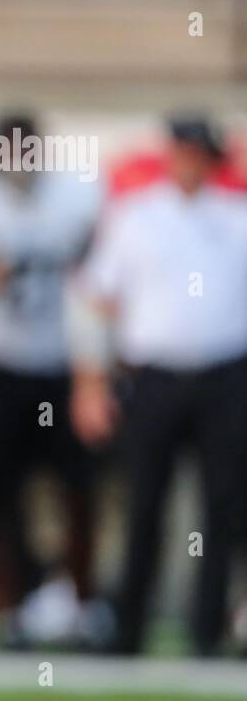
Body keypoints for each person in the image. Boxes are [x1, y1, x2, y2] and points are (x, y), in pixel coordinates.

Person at [69, 116, 247, 656]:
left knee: (225, 507)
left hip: (226, 375)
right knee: (144, 503)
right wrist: (90, 384)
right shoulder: (136, 216)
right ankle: (128, 628)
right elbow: (97, 299)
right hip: (153, 376)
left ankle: (206, 629)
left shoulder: (238, 218)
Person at [0, 113, 102, 643]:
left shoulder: (78, 195)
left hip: (62, 364)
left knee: (76, 490)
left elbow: (99, 278)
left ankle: (80, 600)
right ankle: (5, 601)